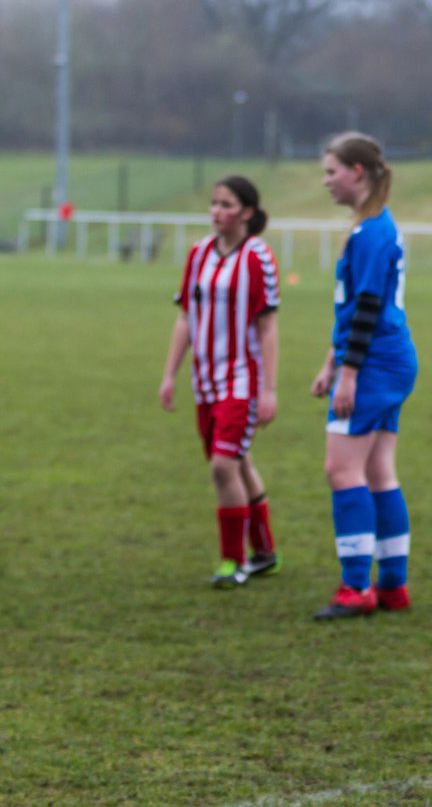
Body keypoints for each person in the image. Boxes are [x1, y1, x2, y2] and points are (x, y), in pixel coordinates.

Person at [309, 132, 419, 620]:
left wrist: (347, 373)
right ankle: (393, 585)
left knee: (342, 470)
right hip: (387, 357)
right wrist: (332, 361)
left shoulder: (372, 230)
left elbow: (368, 306)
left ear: (357, 172)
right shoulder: (375, 226)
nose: (326, 181)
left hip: (374, 361)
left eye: (331, 171)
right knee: (377, 471)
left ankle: (356, 587)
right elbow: (357, 306)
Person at [158, 175, 281, 588]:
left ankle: (234, 562)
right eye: (213, 203)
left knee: (222, 466)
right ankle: (265, 553)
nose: (216, 211)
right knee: (239, 460)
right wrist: (169, 375)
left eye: (226, 204)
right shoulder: (197, 254)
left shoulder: (257, 257)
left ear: (246, 212)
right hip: (205, 381)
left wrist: (268, 390)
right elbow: (185, 318)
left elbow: (268, 328)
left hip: (241, 382)